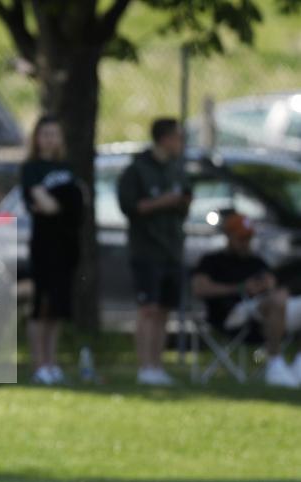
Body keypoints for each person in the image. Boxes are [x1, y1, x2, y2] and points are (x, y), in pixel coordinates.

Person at [117, 117, 191, 386]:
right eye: (178, 137)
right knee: (148, 309)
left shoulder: (176, 169)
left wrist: (181, 202)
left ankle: (157, 366)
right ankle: (144, 366)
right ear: (165, 139)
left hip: (172, 250)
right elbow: (130, 207)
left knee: (164, 310)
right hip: (147, 250)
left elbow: (185, 200)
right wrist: (164, 201)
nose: (181, 143)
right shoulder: (137, 170)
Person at [192, 213, 301, 387]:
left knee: (281, 301)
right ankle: (274, 364)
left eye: (249, 238)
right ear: (228, 236)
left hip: (262, 316)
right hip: (229, 314)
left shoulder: (257, 262)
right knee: (276, 302)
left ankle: (298, 365)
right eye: (241, 238)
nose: (246, 242)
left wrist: (266, 286)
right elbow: (199, 288)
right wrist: (240, 288)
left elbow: (272, 287)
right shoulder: (211, 261)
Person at [21, 116, 83, 384]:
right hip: (43, 245)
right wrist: (63, 203)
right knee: (42, 305)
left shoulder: (68, 168)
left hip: (66, 245)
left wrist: (60, 204)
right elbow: (44, 204)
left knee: (57, 306)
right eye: (44, 134)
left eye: (54, 134)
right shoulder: (31, 168)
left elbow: (79, 202)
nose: (49, 139)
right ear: (37, 138)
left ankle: (52, 362)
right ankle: (39, 364)